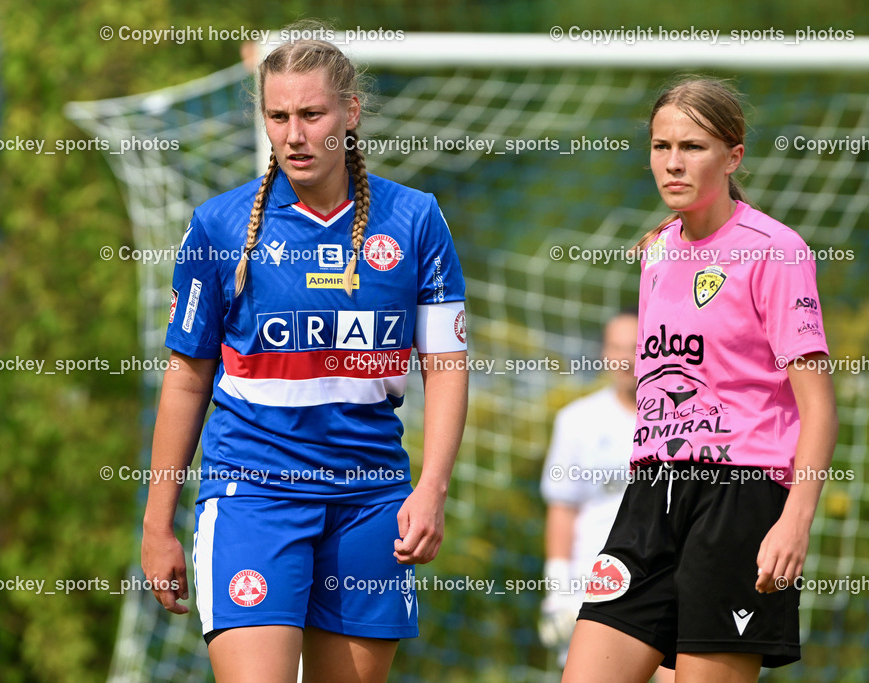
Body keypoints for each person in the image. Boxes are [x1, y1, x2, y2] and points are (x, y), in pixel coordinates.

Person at [140, 34, 469, 683]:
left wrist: (431, 487)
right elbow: (185, 380)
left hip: (372, 502)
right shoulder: (220, 226)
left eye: (310, 115)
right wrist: (157, 523)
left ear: (350, 112)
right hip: (252, 497)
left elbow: (448, 364)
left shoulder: (415, 220)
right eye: (278, 116)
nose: (293, 134)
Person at [562, 77, 838, 683]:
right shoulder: (655, 252)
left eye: (692, 147)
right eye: (661, 147)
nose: (672, 163)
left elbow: (819, 409)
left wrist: (795, 520)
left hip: (741, 499)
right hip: (650, 497)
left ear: (733, 156)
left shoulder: (776, 251)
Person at [539, 311, 675, 683]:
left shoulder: (680, 421)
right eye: (617, 348)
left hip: (668, 580)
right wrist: (558, 592)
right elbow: (562, 509)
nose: (626, 358)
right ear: (603, 354)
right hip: (597, 588)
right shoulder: (577, 421)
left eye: (636, 348)